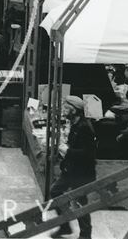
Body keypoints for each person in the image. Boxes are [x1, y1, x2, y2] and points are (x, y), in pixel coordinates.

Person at [49, 96, 96, 239]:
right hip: (70, 169)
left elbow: (89, 153)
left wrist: (66, 150)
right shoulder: (75, 124)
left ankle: (85, 235)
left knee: (80, 202)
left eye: (66, 108)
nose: (63, 110)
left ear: (74, 110)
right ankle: (65, 226)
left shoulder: (85, 127)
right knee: (55, 191)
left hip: (82, 172)